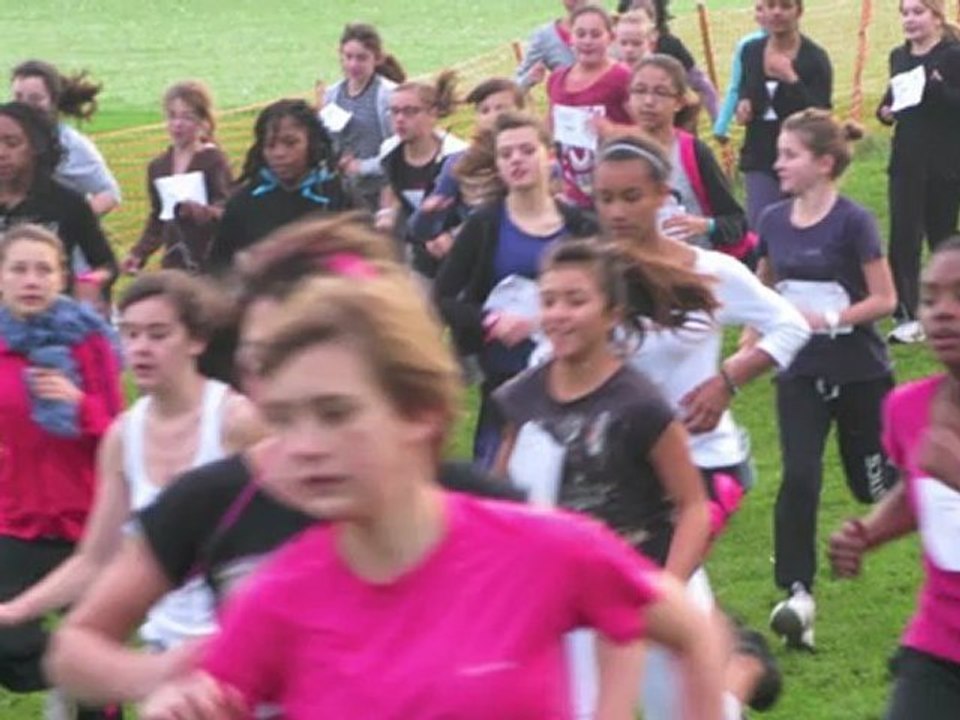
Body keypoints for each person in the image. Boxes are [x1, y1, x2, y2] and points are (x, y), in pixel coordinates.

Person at [131, 270, 728, 720]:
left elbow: (693, 633)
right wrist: (176, 704)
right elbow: (201, 695)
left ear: (419, 412)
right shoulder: (276, 597)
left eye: (336, 413)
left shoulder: (542, 549)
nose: (305, 446)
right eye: (285, 419)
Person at [44, 215, 525, 707]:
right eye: (261, 357)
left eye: (302, 352)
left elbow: (583, 619)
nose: (274, 378)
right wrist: (163, 677)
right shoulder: (215, 499)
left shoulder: (474, 504)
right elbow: (76, 648)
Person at [494, 239, 782, 720]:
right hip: (570, 601)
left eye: (576, 300)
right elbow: (499, 506)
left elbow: (691, 506)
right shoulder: (519, 401)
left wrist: (666, 591)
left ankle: (742, 666)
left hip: (649, 582)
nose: (559, 314)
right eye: (549, 301)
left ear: (611, 313)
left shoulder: (639, 405)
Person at [0, 270, 261, 651]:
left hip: (239, 650)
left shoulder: (237, 422)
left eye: (158, 335)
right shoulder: (124, 437)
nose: (140, 348)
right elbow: (96, 559)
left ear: (197, 340)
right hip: (165, 647)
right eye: (130, 333)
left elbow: (295, 544)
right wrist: (12, 611)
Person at [591, 131, 808, 539]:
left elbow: (790, 325)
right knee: (666, 595)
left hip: (703, 460)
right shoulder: (590, 279)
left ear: (661, 195)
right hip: (623, 469)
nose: (617, 212)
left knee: (658, 586)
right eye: (606, 199)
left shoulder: (708, 272)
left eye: (631, 196)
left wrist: (728, 380)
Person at [757, 109, 898, 650]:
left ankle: (930, 485)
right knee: (799, 477)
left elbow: (884, 299)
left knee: (871, 486)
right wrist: (748, 355)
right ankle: (797, 595)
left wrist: (832, 320)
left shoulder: (853, 221)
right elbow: (764, 297)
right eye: (779, 153)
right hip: (800, 374)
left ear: (823, 163)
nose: (778, 163)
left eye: (789, 155)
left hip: (861, 374)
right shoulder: (771, 221)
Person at [828, 237, 960, 719]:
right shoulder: (908, 409)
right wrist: (870, 532)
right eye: (929, 298)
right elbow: (921, 491)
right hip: (940, 646)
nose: (942, 312)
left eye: (959, 296)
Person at [0, 223, 121, 717]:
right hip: (14, 522)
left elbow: (120, 430)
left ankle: (87, 684)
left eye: (44, 269)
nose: (32, 279)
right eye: (19, 269)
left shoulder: (89, 344)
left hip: (86, 525)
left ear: (61, 279)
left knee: (99, 669)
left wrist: (80, 404)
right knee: (7, 644)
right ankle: (62, 673)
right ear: (1, 278)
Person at [434, 112, 598, 468]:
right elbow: (442, 298)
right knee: (498, 485)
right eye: (506, 154)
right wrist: (490, 321)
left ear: (548, 157)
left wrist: (545, 320)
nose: (516, 160)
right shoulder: (485, 224)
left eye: (526, 150)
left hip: (570, 376)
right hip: (504, 384)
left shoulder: (581, 227)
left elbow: (610, 299)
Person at [878, 0, 960, 344]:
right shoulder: (899, 56)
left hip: (944, 159)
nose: (910, 20)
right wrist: (884, 111)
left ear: (937, 16)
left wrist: (939, 87)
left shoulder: (953, 55)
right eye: (905, 13)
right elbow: (892, 98)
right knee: (903, 237)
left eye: (917, 12)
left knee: (942, 235)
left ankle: (948, 304)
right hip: (907, 159)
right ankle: (908, 312)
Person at [626, 55, 751, 258]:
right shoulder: (616, 153)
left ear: (679, 102)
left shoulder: (693, 152)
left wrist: (706, 226)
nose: (648, 101)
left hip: (696, 269)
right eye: (639, 91)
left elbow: (735, 221)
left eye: (660, 92)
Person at [206, 99, 350, 272]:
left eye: (290, 143)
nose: (279, 153)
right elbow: (219, 266)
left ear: (312, 144)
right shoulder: (244, 203)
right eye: (270, 145)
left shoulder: (337, 197)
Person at [0, 102, 117, 303]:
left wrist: (91, 281)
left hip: (54, 320)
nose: (1, 153)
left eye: (12, 143)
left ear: (36, 147)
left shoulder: (66, 203)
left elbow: (106, 263)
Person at [736, 0, 832, 230]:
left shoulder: (814, 58)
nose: (777, 13)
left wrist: (791, 78)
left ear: (799, 11)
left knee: (800, 225)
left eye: (785, 6)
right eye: (771, 6)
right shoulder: (751, 51)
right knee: (760, 226)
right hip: (759, 151)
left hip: (799, 153)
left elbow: (822, 113)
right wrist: (744, 103)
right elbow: (745, 87)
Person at [123, 82, 232, 274]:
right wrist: (139, 254)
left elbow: (226, 208)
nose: (177, 124)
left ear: (202, 121)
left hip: (210, 262)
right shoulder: (158, 167)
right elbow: (158, 217)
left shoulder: (212, 161)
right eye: (172, 116)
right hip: (175, 262)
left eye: (187, 117)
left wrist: (199, 212)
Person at [407, 77, 526, 245]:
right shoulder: (460, 164)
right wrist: (428, 214)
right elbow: (421, 230)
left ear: (521, 111)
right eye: (484, 110)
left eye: (501, 108)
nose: (493, 116)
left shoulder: (539, 156)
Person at [376, 71, 467, 278]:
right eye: (394, 111)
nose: (399, 119)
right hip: (419, 255)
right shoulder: (389, 152)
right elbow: (390, 186)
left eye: (410, 111)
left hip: (461, 255)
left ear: (433, 114)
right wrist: (386, 214)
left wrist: (453, 235)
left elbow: (480, 210)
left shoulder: (458, 157)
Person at [547, 5, 632, 208]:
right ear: (570, 38)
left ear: (610, 38)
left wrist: (613, 131)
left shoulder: (622, 78)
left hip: (618, 191)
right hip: (573, 195)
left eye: (595, 34)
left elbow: (651, 131)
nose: (587, 41)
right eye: (581, 34)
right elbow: (549, 130)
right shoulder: (557, 79)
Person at [11, 60, 120, 217]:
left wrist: (67, 223)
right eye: (18, 97)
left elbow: (109, 194)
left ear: (54, 101)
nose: (25, 106)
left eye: (36, 99)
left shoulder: (69, 143)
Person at [319, 22, 407, 212]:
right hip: (344, 192)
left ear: (376, 59)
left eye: (361, 58)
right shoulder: (332, 95)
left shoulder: (388, 95)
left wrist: (363, 167)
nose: (353, 64)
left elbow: (400, 147)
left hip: (383, 192)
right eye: (348, 57)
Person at [623, 0, 720, 122]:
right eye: (624, 43)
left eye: (636, 43)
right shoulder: (613, 58)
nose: (629, 49)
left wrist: (717, 121)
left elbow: (698, 85)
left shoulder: (670, 45)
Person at [714, 1, 768, 142]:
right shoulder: (747, 46)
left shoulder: (798, 46)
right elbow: (735, 85)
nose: (764, 13)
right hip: (758, 123)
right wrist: (722, 125)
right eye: (758, 9)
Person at [514, 0, 588, 90]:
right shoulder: (545, 36)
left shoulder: (608, 30)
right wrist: (528, 79)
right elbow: (513, 87)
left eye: (595, 34)